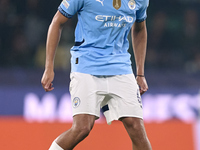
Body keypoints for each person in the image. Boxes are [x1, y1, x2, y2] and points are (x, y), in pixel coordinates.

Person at [41, 0, 152, 149]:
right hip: (86, 66)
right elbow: (57, 22)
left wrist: (140, 74)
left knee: (137, 129)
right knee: (82, 128)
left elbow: (140, 29)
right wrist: (49, 67)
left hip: (121, 67)